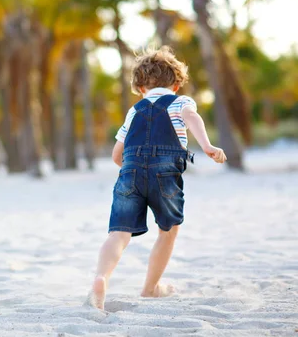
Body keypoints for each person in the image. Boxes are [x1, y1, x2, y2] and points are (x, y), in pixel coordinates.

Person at [89, 46, 227, 310]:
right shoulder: (181, 102)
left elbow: (117, 154)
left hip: (130, 172)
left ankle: (100, 277)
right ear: (176, 84)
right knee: (168, 231)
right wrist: (207, 146)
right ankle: (150, 288)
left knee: (119, 234)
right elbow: (192, 117)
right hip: (165, 173)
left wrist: (132, 168)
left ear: (140, 88)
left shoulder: (134, 111)